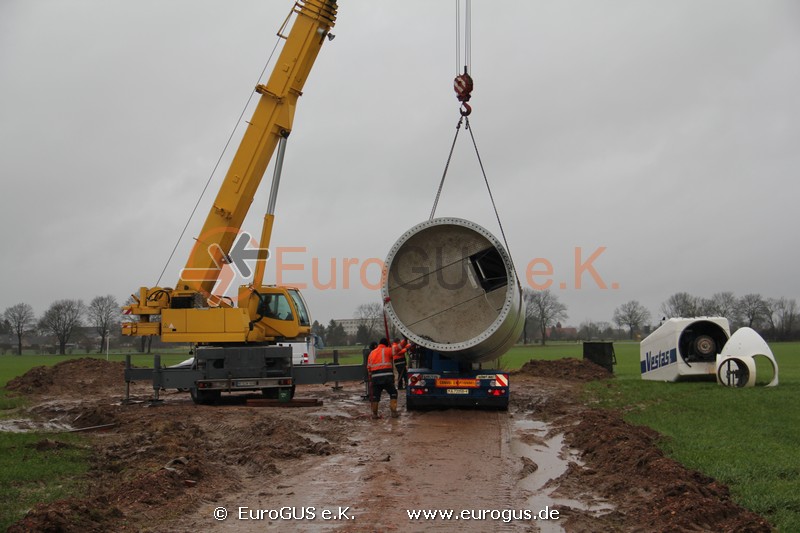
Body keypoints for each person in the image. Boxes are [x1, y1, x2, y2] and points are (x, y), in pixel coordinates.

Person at [367, 338, 398, 418]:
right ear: (386, 344)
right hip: (387, 378)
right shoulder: (388, 350)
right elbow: (398, 349)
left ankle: (374, 414)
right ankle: (394, 413)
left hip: (375, 379)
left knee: (375, 396)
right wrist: (405, 340)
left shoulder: (372, 353)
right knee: (393, 393)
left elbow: (369, 367)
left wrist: (371, 378)